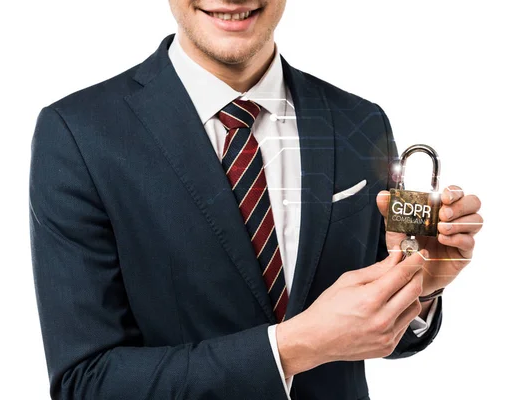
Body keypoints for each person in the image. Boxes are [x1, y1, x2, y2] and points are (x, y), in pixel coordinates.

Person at [29, 1, 483, 399]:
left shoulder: (359, 121)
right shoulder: (79, 135)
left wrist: (421, 286)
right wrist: (292, 347)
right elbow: (84, 383)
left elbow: (366, 331)